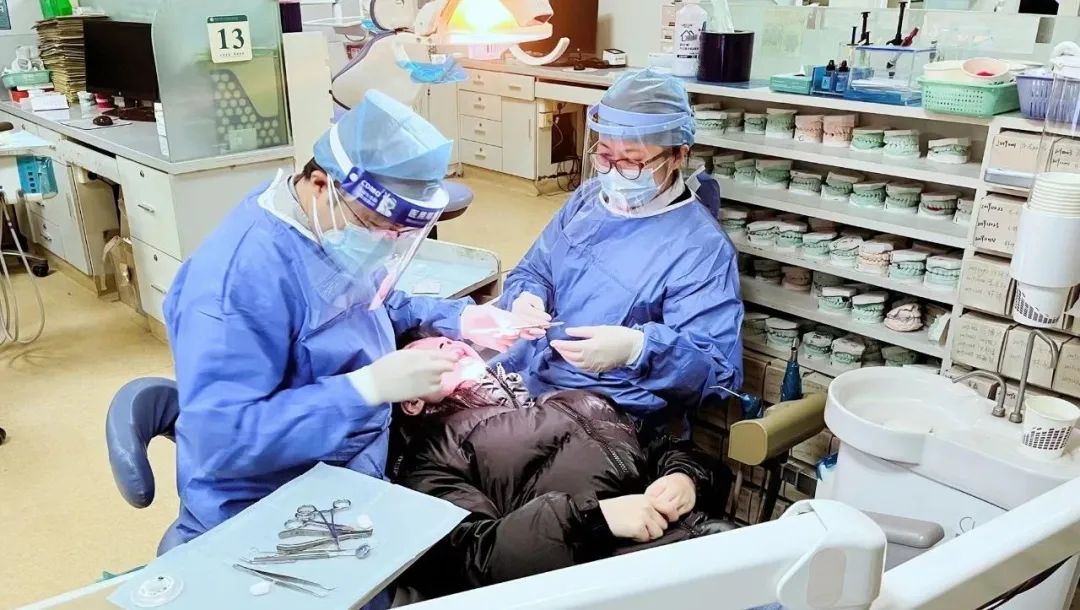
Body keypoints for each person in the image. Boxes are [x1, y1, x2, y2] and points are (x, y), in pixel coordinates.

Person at [162, 90, 539, 549]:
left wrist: (461, 318)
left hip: (348, 468)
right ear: (322, 184)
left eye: (400, 232)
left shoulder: (330, 231)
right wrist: (364, 389)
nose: (386, 241)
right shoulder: (235, 284)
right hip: (266, 506)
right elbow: (223, 441)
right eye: (376, 224)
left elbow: (375, 301)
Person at [493, 69, 744, 431]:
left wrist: (637, 349)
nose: (613, 173)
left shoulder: (701, 249)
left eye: (631, 162)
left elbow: (717, 374)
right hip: (533, 377)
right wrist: (525, 297)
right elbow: (535, 270)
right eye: (605, 156)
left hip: (611, 413)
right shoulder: (588, 200)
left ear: (678, 156)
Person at [388, 337, 731, 600]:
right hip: (607, 582)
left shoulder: (567, 399)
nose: (449, 345)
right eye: (430, 352)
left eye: (449, 340)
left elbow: (668, 448)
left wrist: (686, 478)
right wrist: (592, 521)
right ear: (412, 401)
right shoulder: (431, 455)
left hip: (705, 546)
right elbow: (469, 559)